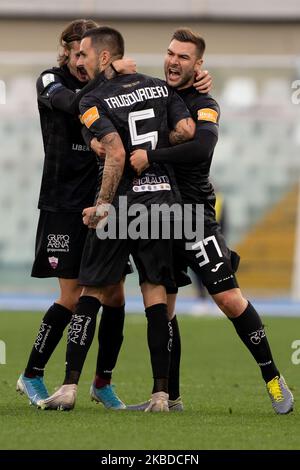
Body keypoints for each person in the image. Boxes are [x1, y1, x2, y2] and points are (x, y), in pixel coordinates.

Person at [129, 28, 294, 415]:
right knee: (162, 307)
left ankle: (273, 378)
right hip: (157, 213)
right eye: (170, 53)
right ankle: (169, 396)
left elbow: (203, 146)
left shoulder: (206, 101)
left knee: (227, 298)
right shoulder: (155, 95)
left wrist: (152, 157)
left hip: (194, 214)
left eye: (184, 57)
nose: (173, 61)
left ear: (199, 65)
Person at [37, 26, 196, 412]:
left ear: (104, 58)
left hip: (121, 206)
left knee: (90, 292)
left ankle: (70, 387)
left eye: (85, 55)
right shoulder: (161, 87)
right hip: (162, 203)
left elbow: (115, 153)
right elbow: (187, 130)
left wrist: (104, 204)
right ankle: (161, 396)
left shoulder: (92, 98)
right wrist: (155, 145)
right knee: (156, 297)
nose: (80, 61)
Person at [16, 19, 136, 408]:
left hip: (104, 198)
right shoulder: (51, 80)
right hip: (63, 202)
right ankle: (31, 373)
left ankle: (102, 382)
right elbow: (71, 102)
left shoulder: (105, 85)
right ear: (66, 49)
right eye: (75, 49)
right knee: (71, 296)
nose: (80, 57)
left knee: (115, 294)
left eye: (87, 50)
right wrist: (108, 80)